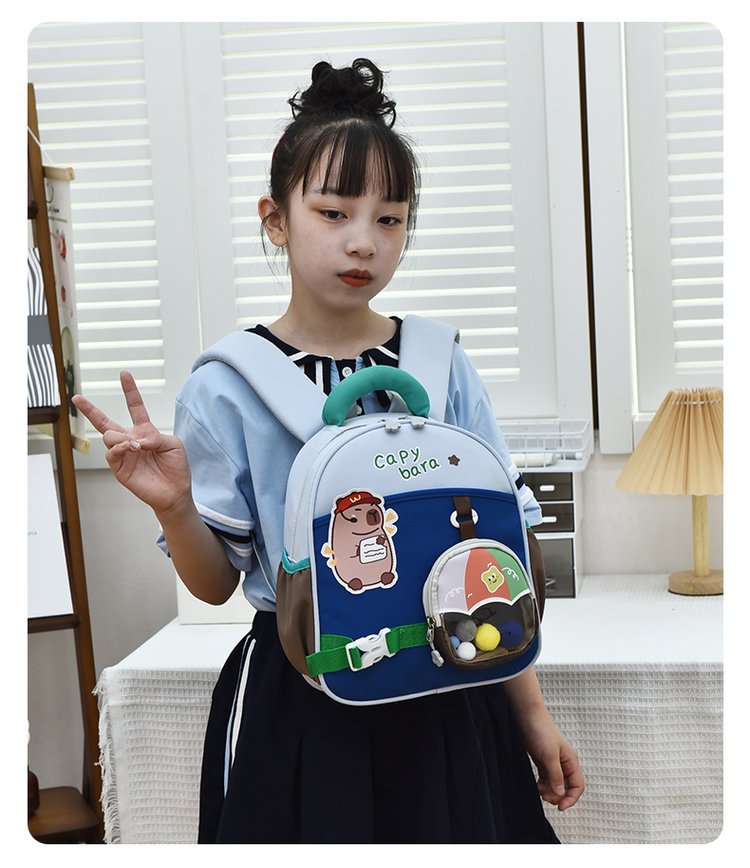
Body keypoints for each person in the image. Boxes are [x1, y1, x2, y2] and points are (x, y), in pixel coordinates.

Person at [73, 58, 583, 844]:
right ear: (275, 219)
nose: (364, 242)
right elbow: (215, 585)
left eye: (390, 219)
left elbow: (493, 562)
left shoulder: (442, 363)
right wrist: (174, 505)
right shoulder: (227, 385)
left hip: (451, 685)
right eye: (333, 212)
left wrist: (533, 715)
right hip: (304, 701)